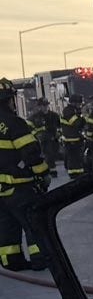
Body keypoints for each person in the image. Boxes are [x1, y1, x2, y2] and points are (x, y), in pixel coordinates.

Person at [0, 79, 52, 271]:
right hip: (20, 186)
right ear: (9, 100)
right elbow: (30, 153)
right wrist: (43, 174)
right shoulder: (14, 123)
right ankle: (40, 259)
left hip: (1, 191)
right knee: (34, 223)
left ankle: (11, 261)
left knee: (7, 226)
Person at [59, 100, 85, 174]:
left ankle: (79, 172)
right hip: (70, 139)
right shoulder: (68, 111)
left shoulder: (73, 110)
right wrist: (83, 117)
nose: (80, 105)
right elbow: (76, 123)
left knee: (77, 158)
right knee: (73, 158)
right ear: (74, 102)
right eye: (79, 103)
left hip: (75, 138)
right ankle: (74, 173)